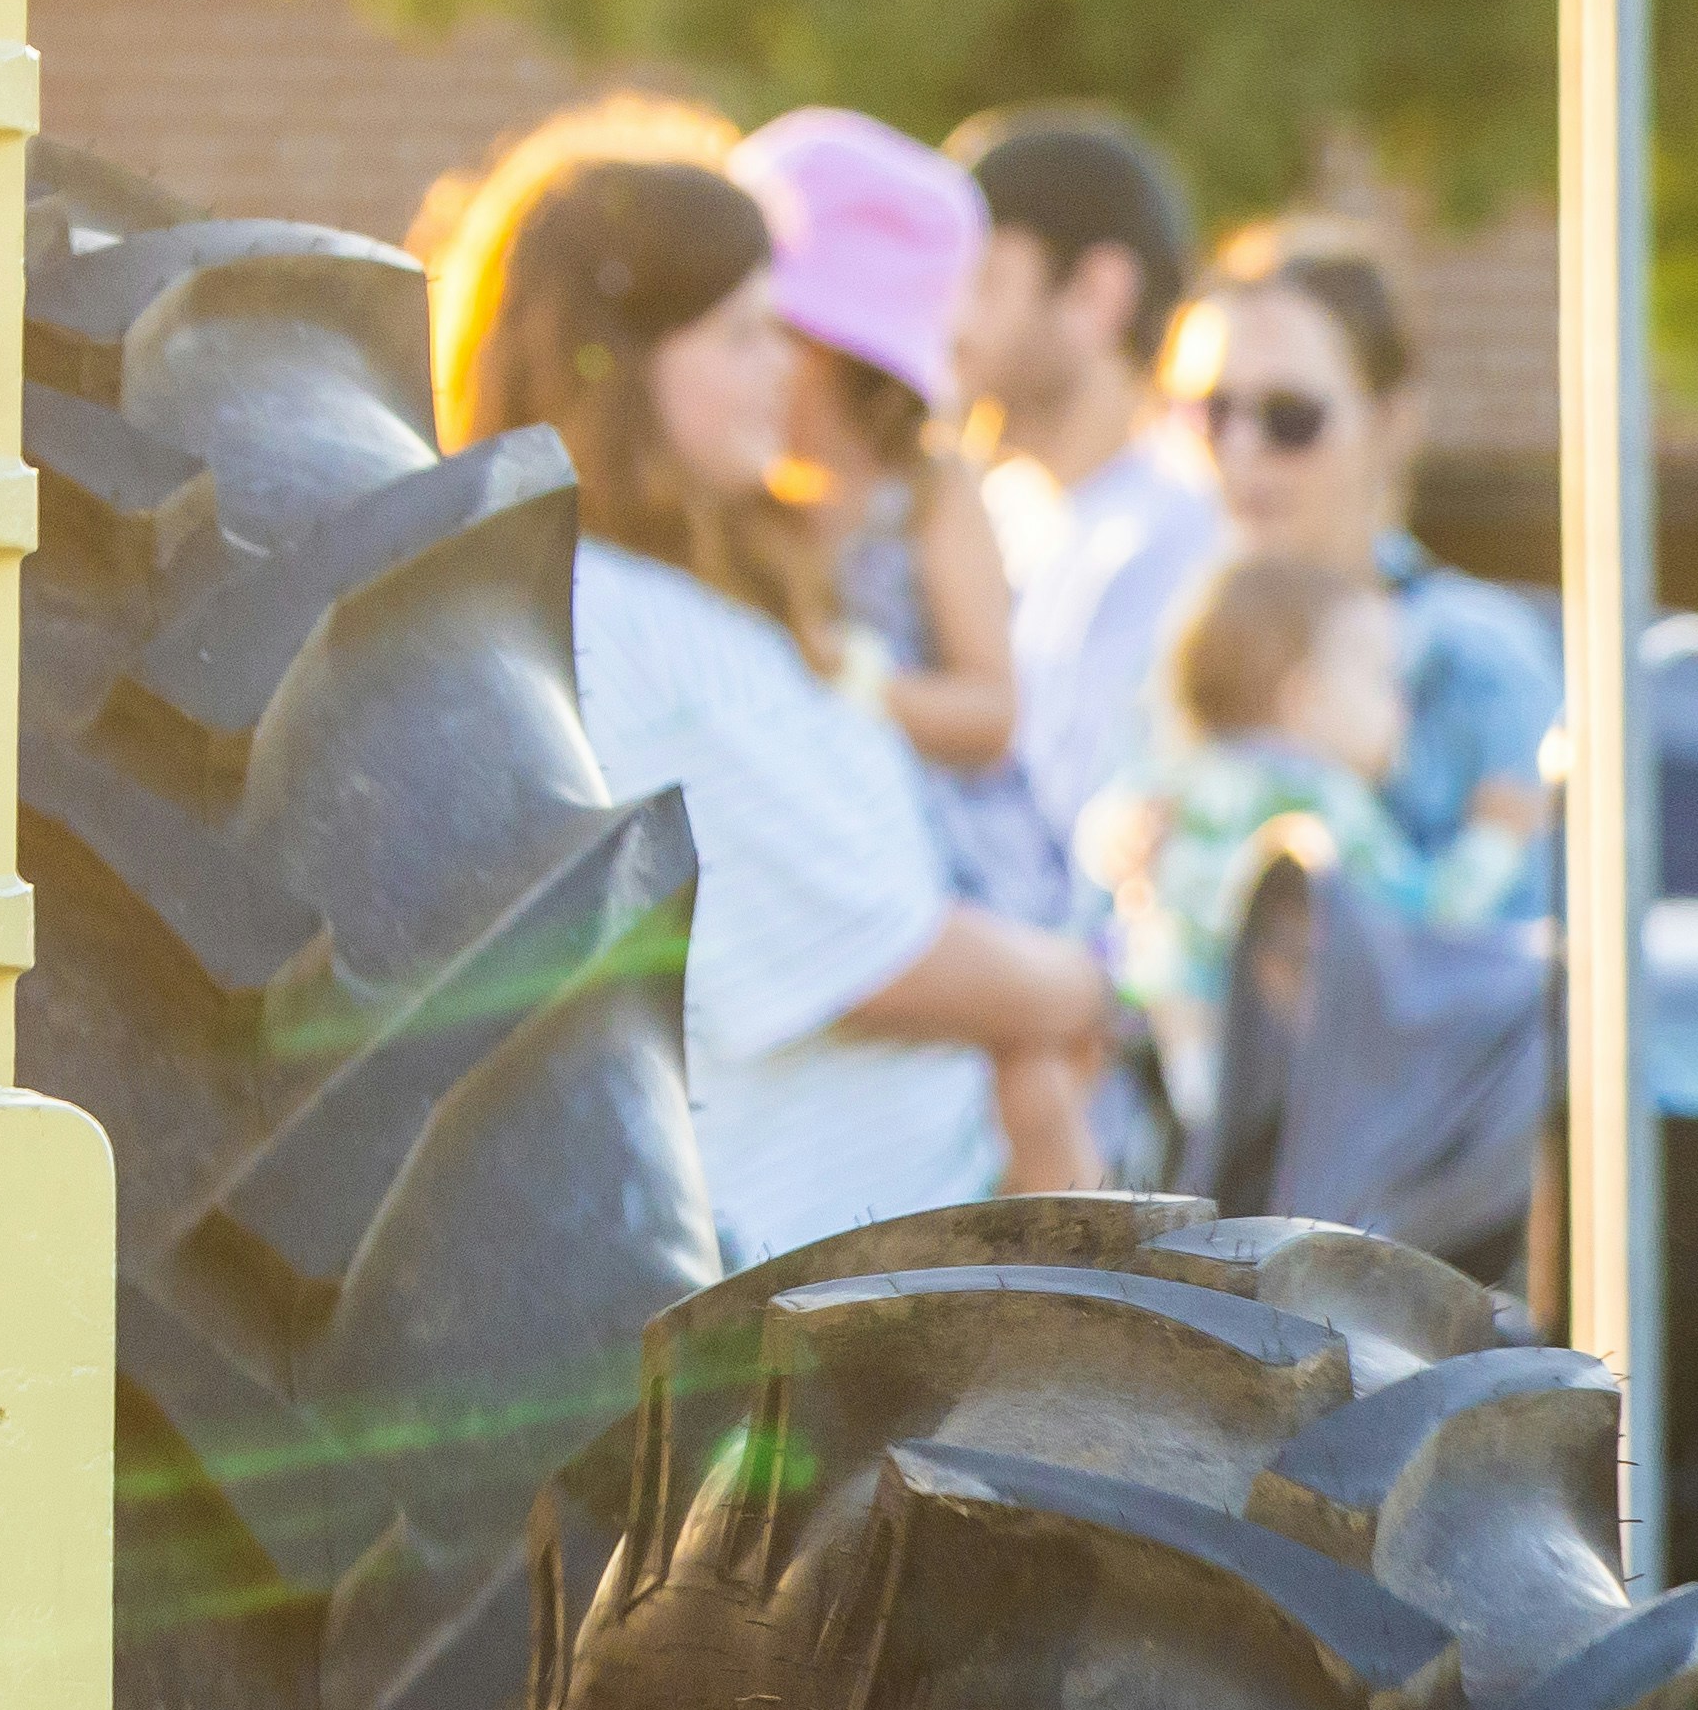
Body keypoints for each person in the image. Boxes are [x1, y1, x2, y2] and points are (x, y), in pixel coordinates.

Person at [426, 101, 1123, 1243]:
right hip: (824, 1309)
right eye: (743, 334)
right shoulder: (617, 619)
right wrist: (1098, 988)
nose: (778, 370)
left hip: (901, 1259)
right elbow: (875, 956)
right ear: (621, 358)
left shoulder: (690, 594)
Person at [1172, 220, 1563, 881]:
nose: (1239, 452)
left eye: (1289, 417)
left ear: (1391, 422)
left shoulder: (1476, 658)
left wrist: (1392, 773)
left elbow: (1518, 948)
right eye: (1209, 413)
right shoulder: (1175, 638)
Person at [733, 108, 1043, 922]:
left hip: (947, 857)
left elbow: (993, 710)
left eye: (775, 335)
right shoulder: (741, 496)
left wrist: (847, 680)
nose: (757, 362)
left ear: (841, 355)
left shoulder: (931, 492)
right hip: (803, 849)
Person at [952, 104, 1225, 926]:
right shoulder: (993, 519)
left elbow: (1072, 853)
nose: (950, 321)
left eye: (984, 280)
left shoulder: (1181, 543)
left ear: (1097, 292)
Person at [1104, 551, 1534, 1045]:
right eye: (1382, 681)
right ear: (1306, 700)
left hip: (1160, 1014)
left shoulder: (1182, 779)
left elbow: (1112, 846)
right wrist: (1497, 841)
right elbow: (1421, 922)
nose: (1402, 708)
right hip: (1275, 1052)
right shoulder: (1320, 804)